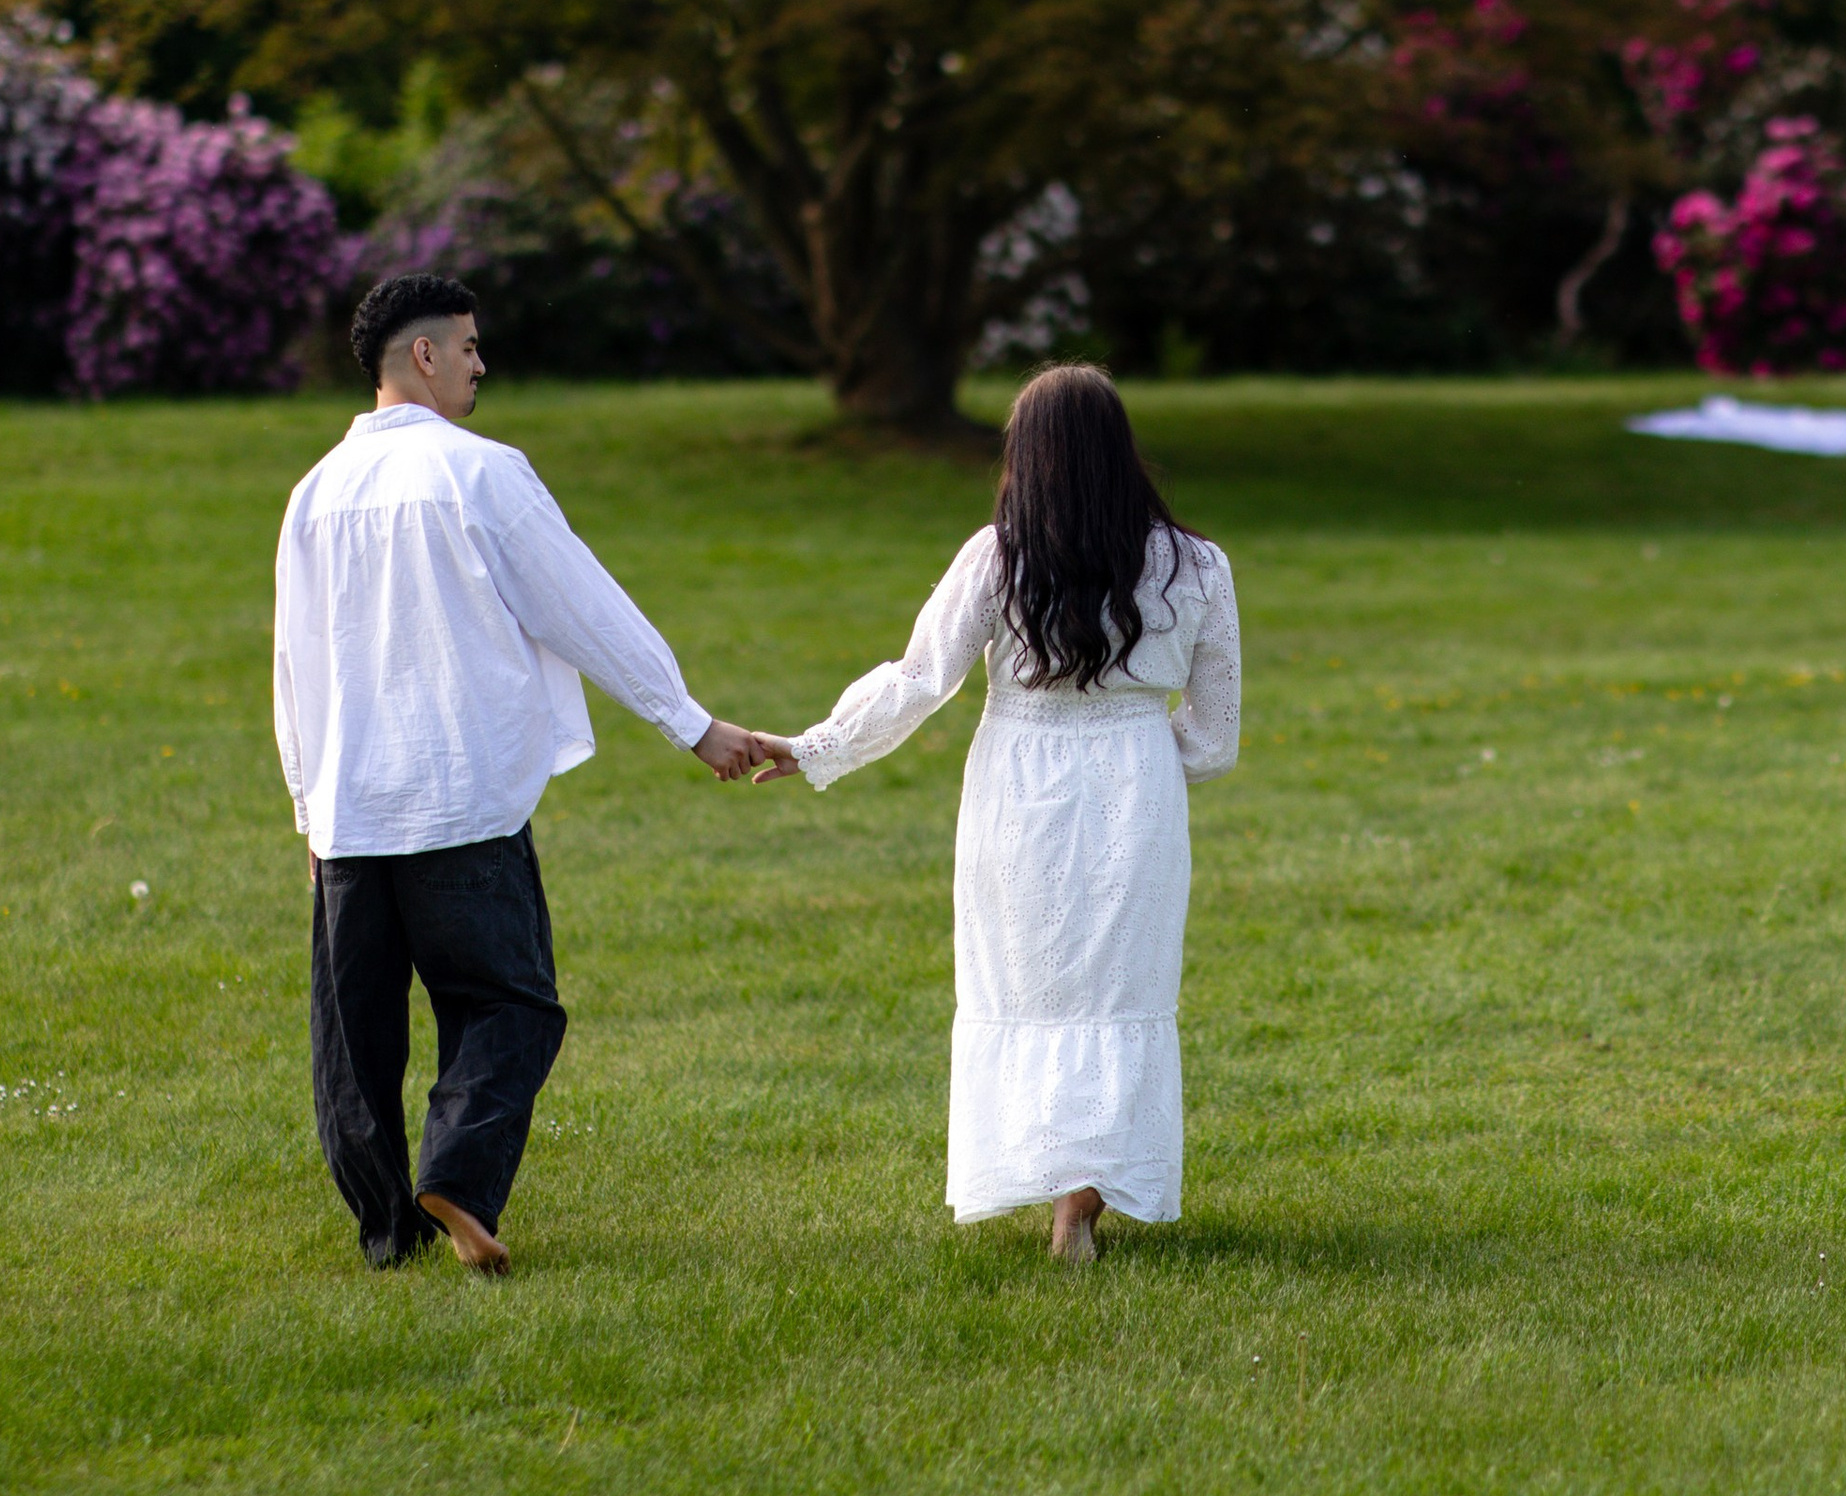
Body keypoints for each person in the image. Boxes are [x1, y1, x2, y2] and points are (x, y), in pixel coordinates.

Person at [274, 271, 759, 1275]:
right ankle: (456, 1172)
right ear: (423, 356)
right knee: (509, 1004)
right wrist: (690, 723)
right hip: (461, 798)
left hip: (351, 812)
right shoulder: (483, 474)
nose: (479, 364)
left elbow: (296, 663)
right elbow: (582, 605)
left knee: (354, 1043)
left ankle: (383, 1233)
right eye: (467, 346)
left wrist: (305, 807)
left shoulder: (315, 491)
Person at [746, 364, 1240, 1263]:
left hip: (1019, 789)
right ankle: (1084, 1198)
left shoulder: (999, 554)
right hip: (1139, 792)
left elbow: (918, 680)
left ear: (1029, 455)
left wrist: (815, 747)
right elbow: (1215, 742)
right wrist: (1135, 756)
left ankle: (1057, 1183)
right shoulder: (1199, 565)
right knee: (1121, 993)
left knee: (1029, 987)